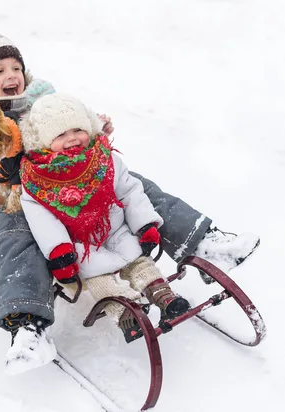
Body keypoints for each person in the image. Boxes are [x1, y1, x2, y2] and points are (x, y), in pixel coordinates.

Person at [0, 25, 260, 372]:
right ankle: (27, 328)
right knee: (16, 237)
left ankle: (204, 243)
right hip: (24, 198)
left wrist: (93, 131)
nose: (11, 76)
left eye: (16, 68)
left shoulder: (41, 101)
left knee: (133, 184)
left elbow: (71, 123)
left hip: (75, 179)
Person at [19, 92, 192, 343]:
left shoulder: (105, 158)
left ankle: (163, 294)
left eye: (77, 129)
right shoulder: (36, 180)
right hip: (78, 245)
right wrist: (59, 252)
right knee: (99, 281)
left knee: (140, 263)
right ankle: (126, 314)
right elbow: (43, 221)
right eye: (60, 135)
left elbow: (130, 191)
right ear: (43, 142)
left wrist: (145, 225)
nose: (71, 139)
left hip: (114, 228)